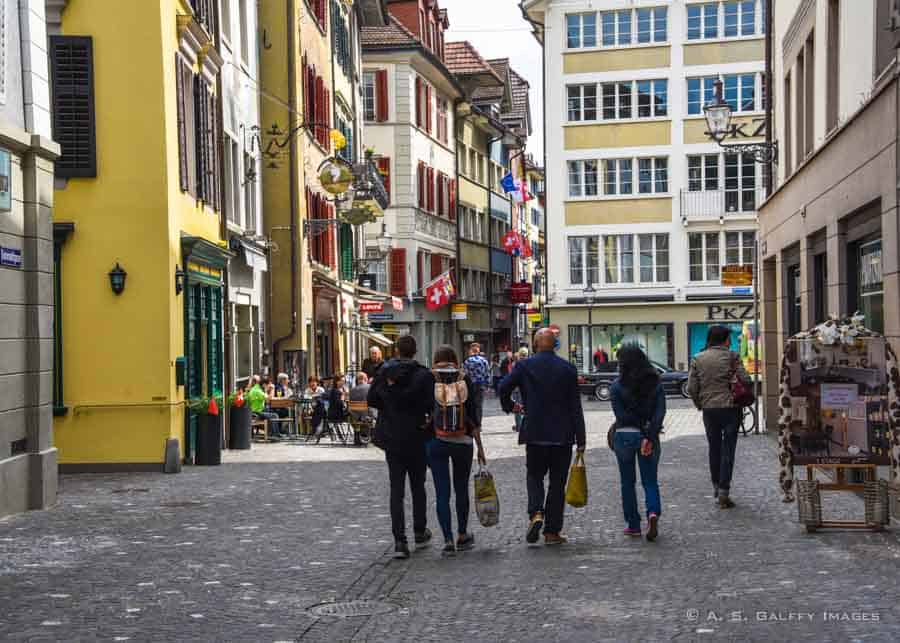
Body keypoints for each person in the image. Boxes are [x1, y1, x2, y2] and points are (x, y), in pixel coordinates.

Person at [499, 328, 586, 546]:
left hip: (535, 433)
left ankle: (536, 512)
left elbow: (503, 387)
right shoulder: (567, 368)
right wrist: (581, 439)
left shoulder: (524, 366)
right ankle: (552, 532)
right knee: (557, 483)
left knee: (534, 476)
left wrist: (511, 406)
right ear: (555, 344)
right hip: (562, 435)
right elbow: (575, 406)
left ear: (536, 344)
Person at [368, 335, 436, 558]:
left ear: (397, 351)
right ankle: (419, 530)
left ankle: (399, 541)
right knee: (418, 486)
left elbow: (372, 399)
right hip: (416, 434)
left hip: (392, 437)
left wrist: (390, 404)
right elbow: (430, 404)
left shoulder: (384, 373)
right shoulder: (424, 375)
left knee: (396, 489)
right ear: (415, 351)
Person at [427, 346, 486, 555]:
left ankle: (448, 540)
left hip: (437, 440)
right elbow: (474, 413)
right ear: (454, 359)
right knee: (461, 488)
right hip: (463, 440)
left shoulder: (430, 378)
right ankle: (462, 534)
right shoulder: (464, 377)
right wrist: (480, 446)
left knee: (442, 492)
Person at [687, 325, 752, 509]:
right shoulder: (732, 357)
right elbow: (746, 380)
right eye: (729, 338)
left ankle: (716, 486)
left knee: (714, 448)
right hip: (731, 408)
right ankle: (724, 491)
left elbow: (692, 388)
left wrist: (700, 404)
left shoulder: (698, 358)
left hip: (710, 410)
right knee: (728, 449)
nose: (730, 341)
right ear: (725, 339)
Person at [610, 345, 666, 541]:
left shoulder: (616, 386)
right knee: (650, 481)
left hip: (624, 436)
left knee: (627, 483)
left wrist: (637, 427)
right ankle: (653, 513)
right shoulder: (655, 384)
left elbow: (621, 416)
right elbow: (660, 414)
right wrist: (648, 436)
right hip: (649, 437)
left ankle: (633, 525)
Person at [462, 342, 490, 427]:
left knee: (470, 404)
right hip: (481, 384)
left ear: (471, 350)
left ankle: (471, 423)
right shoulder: (484, 361)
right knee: (479, 405)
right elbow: (487, 373)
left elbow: (464, 374)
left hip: (470, 385)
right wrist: (487, 385)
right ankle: (479, 424)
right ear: (478, 351)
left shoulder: (467, 361)